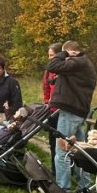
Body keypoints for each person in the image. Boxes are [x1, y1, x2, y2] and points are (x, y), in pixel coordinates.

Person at [46, 40, 97, 192]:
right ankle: (85, 187)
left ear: (71, 53)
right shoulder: (82, 63)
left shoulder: (77, 61)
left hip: (71, 112)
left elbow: (52, 66)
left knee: (61, 152)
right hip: (77, 111)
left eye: (65, 54)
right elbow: (56, 75)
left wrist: (63, 54)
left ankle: (63, 190)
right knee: (81, 151)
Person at [41, 43, 62, 174]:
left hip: (63, 110)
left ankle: (65, 169)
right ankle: (54, 169)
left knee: (63, 142)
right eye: (49, 55)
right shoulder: (48, 71)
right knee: (53, 141)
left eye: (52, 55)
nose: (50, 58)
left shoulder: (64, 71)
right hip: (52, 109)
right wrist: (46, 101)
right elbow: (46, 88)